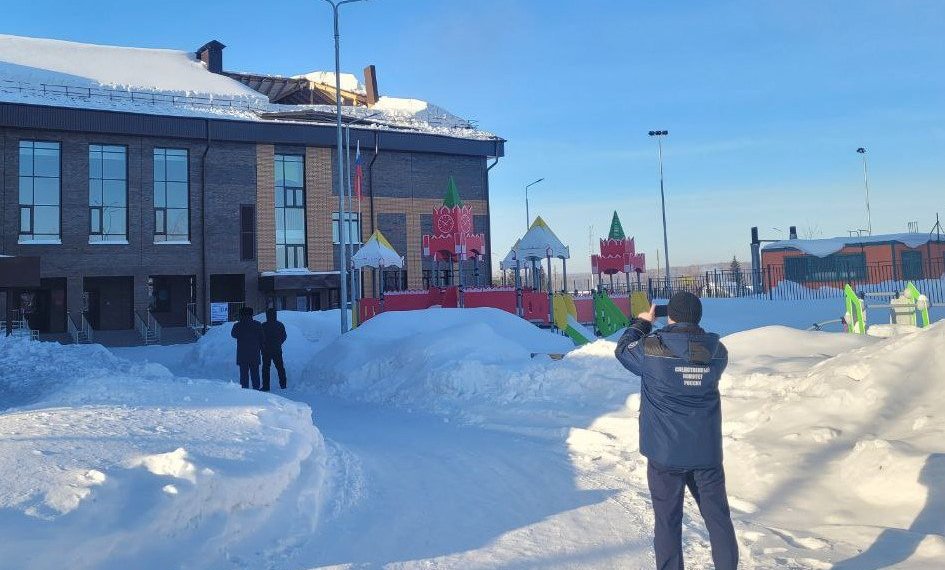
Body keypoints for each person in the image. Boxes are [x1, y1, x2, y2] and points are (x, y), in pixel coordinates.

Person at [614, 291, 738, 570]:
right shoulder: (717, 352)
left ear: (670, 316)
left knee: (668, 522)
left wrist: (642, 323)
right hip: (706, 453)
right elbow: (691, 353)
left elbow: (622, 350)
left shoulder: (653, 349)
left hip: (665, 454)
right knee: (718, 519)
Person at [230, 306, 264, 390]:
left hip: (242, 354)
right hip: (255, 353)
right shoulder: (258, 324)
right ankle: (256, 391)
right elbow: (263, 338)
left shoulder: (237, 325)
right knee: (255, 374)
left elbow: (233, 334)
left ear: (241, 315)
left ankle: (245, 393)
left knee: (244, 375)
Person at [261, 308, 288, 391]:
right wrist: (279, 343)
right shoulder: (280, 325)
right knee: (280, 368)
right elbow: (284, 336)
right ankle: (283, 385)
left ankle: (266, 386)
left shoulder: (263, 325)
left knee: (266, 368)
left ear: (267, 315)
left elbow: (260, 338)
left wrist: (263, 346)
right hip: (277, 349)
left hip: (266, 350)